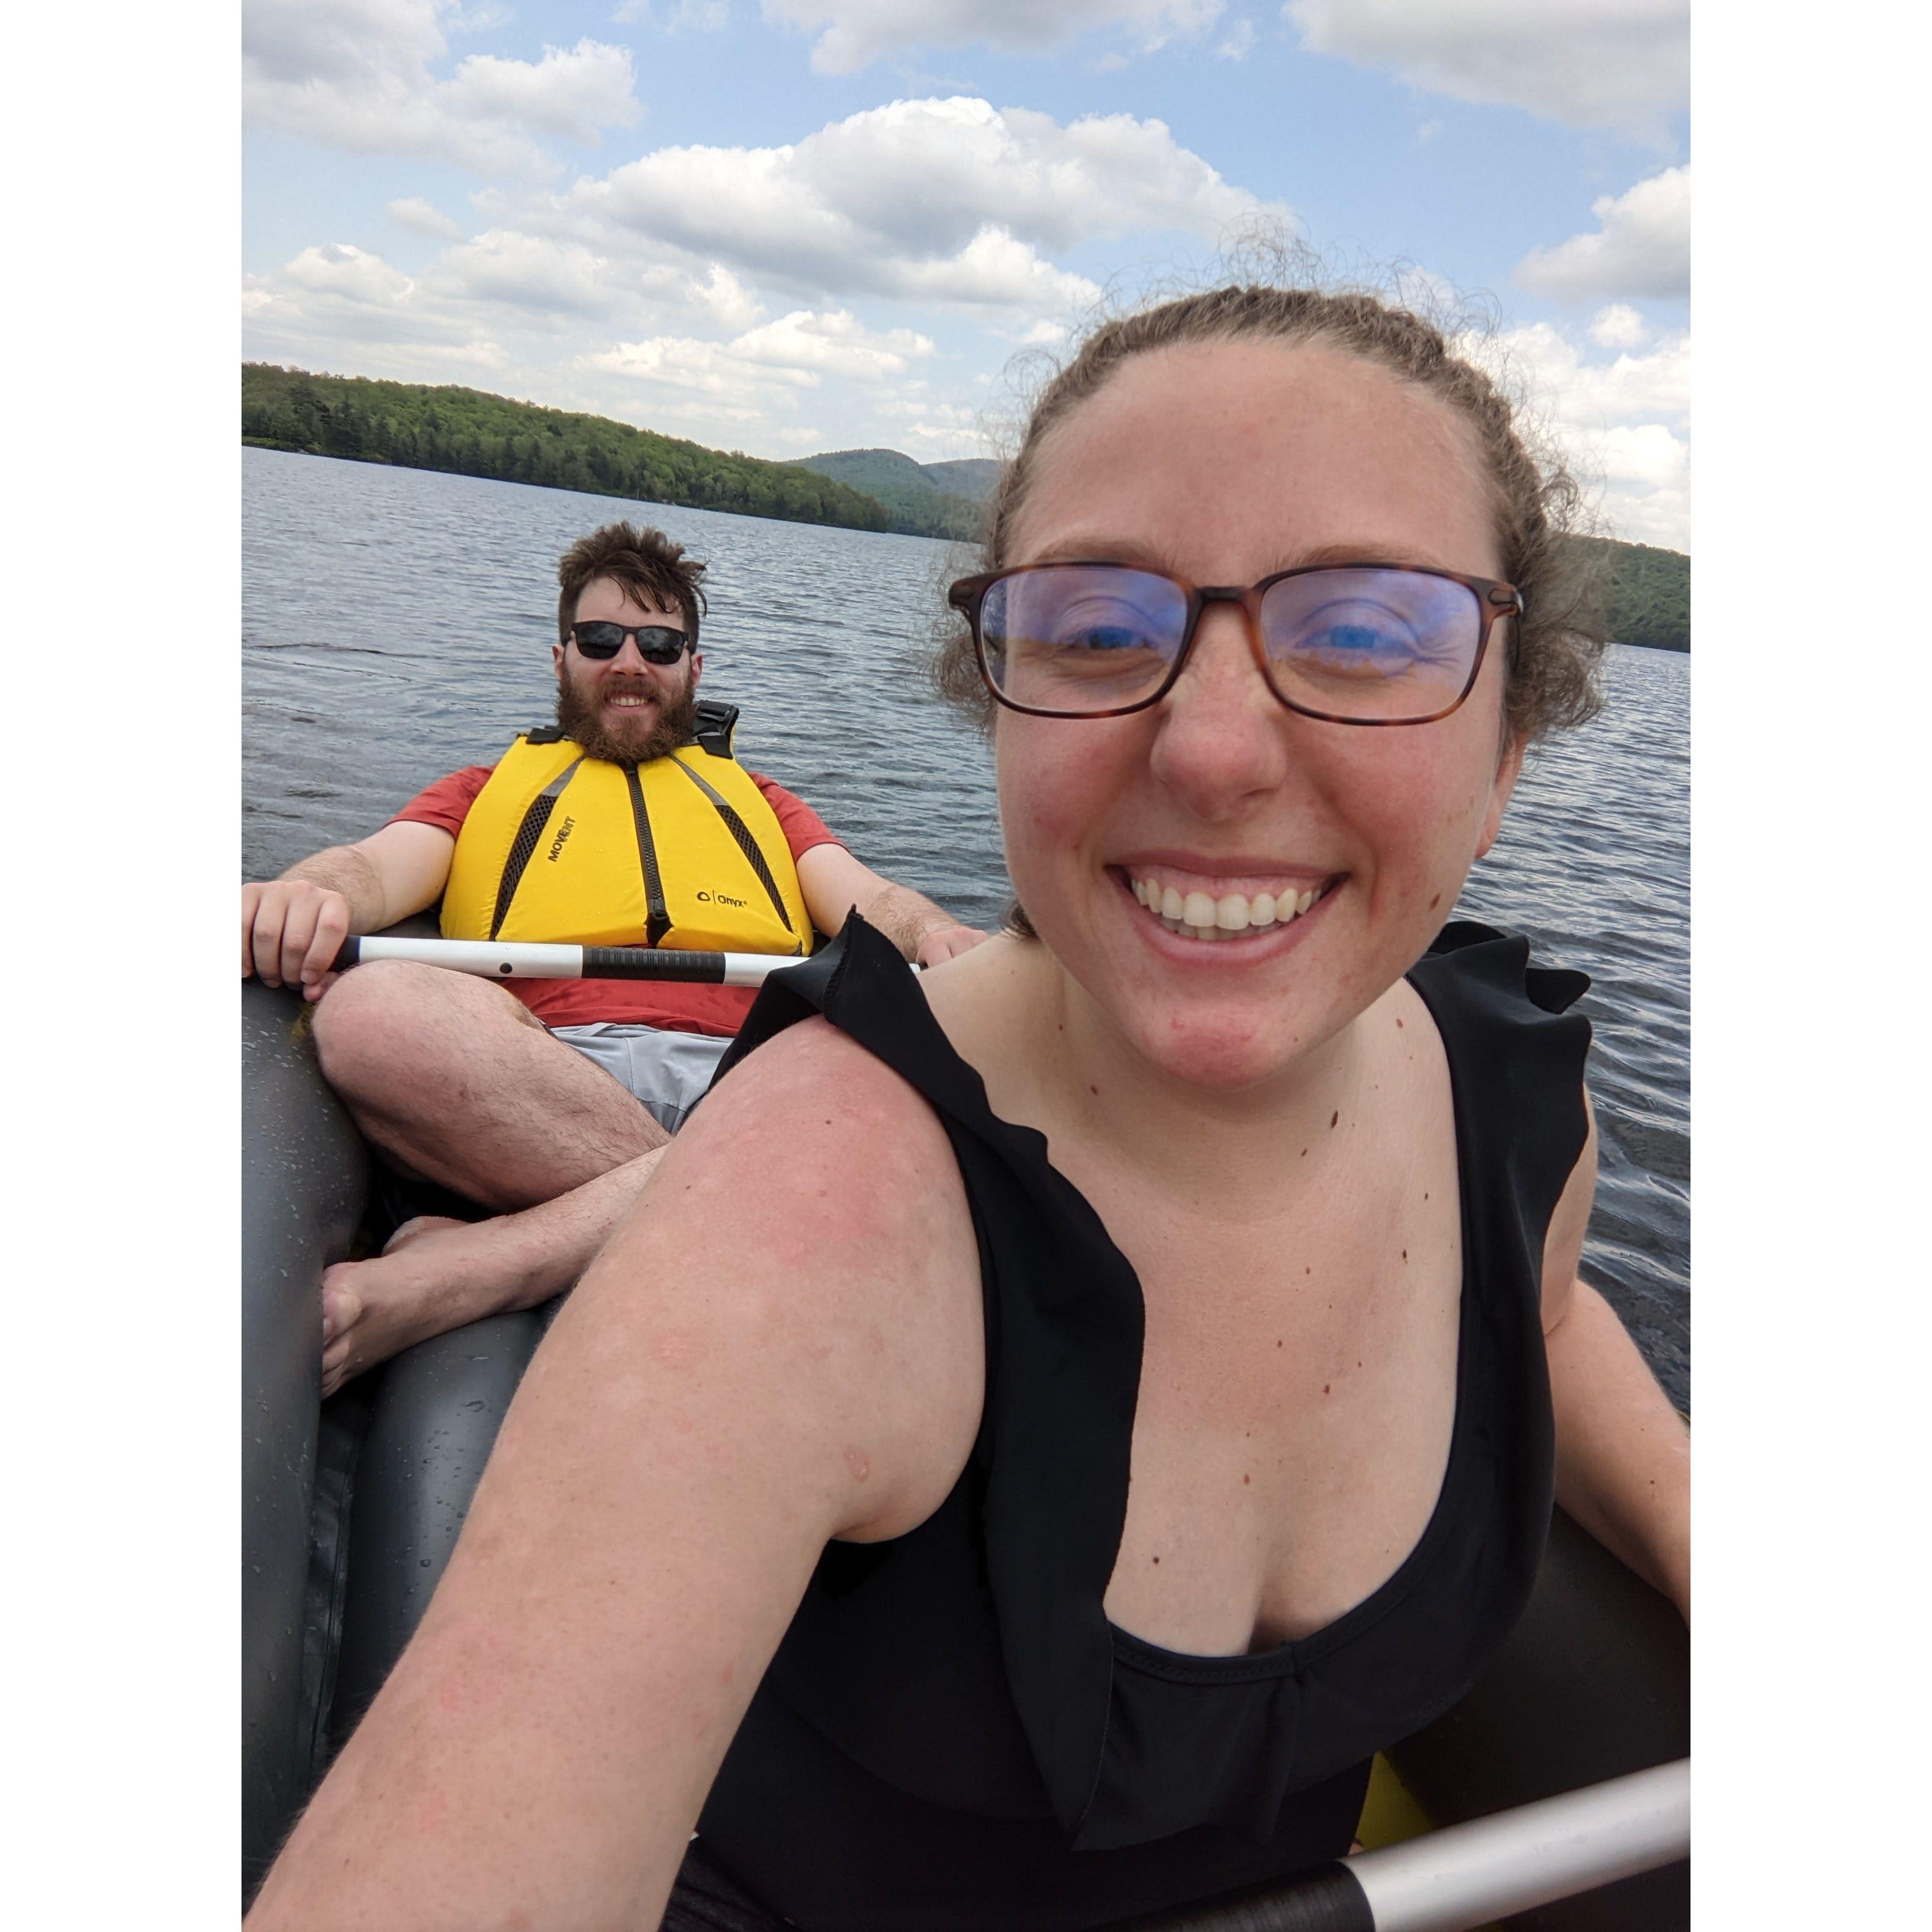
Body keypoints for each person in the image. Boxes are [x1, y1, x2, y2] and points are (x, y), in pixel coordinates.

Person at [247, 284, 1691, 1930]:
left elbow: (1543, 1305)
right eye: (1095, 627)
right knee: (389, 1020)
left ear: (1513, 742)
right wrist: (311, 890)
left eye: (1367, 636)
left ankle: (522, 1251)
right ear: (999, 696)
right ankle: (580, 1237)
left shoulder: (1514, 1088)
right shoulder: (819, 1193)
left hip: (701, 1085)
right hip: (601, 1075)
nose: (1216, 752)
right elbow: (380, 883)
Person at [242, 521, 986, 1395]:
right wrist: (307, 889)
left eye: (660, 643)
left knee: (918, 1089)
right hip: (541, 1072)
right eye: (602, 640)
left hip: (752, 1080)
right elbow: (366, 870)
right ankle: (741, 1230)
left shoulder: (767, 804)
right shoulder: (481, 793)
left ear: (692, 671)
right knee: (373, 1013)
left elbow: (876, 903)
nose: (630, 660)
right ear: (561, 659)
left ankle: (503, 1260)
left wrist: (940, 934)